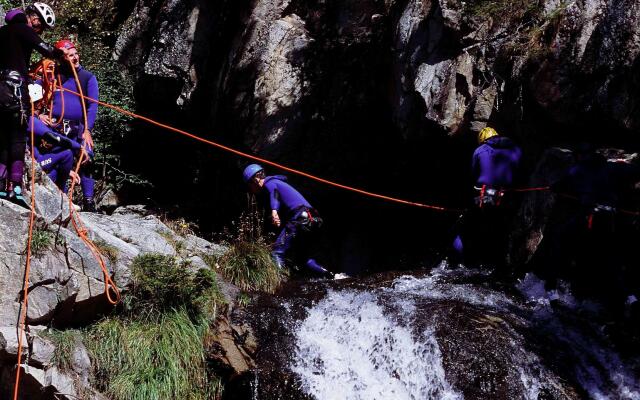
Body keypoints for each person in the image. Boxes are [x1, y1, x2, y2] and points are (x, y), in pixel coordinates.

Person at [0, 3, 68, 208]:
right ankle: (16, 188)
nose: (39, 30)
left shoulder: (2, 31)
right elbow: (45, 49)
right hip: (14, 91)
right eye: (40, 26)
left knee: (2, 138)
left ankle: (1, 186)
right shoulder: (24, 29)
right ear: (34, 18)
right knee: (17, 138)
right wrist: (60, 56)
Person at [30, 38, 98, 210]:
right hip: (55, 126)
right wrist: (38, 114)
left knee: (87, 156)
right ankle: (60, 196)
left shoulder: (86, 78)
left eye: (76, 54)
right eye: (70, 55)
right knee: (61, 156)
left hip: (78, 128)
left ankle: (89, 201)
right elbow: (34, 91)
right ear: (62, 58)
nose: (75, 58)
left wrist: (88, 130)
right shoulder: (53, 75)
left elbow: (92, 106)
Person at [243, 163, 334, 278]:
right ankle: (330, 276)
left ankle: (279, 284)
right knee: (302, 259)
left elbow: (274, 193)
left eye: (249, 185)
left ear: (254, 180)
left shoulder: (270, 183)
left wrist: (274, 211)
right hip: (314, 220)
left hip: (302, 218)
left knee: (277, 251)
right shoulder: (279, 182)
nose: (250, 189)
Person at [452, 127, 523, 266]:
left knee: (464, 225)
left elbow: (474, 173)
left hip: (485, 196)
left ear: (482, 139)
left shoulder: (480, 150)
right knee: (501, 228)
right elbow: (519, 171)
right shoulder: (515, 149)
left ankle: (455, 263)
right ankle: (502, 263)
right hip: (507, 197)